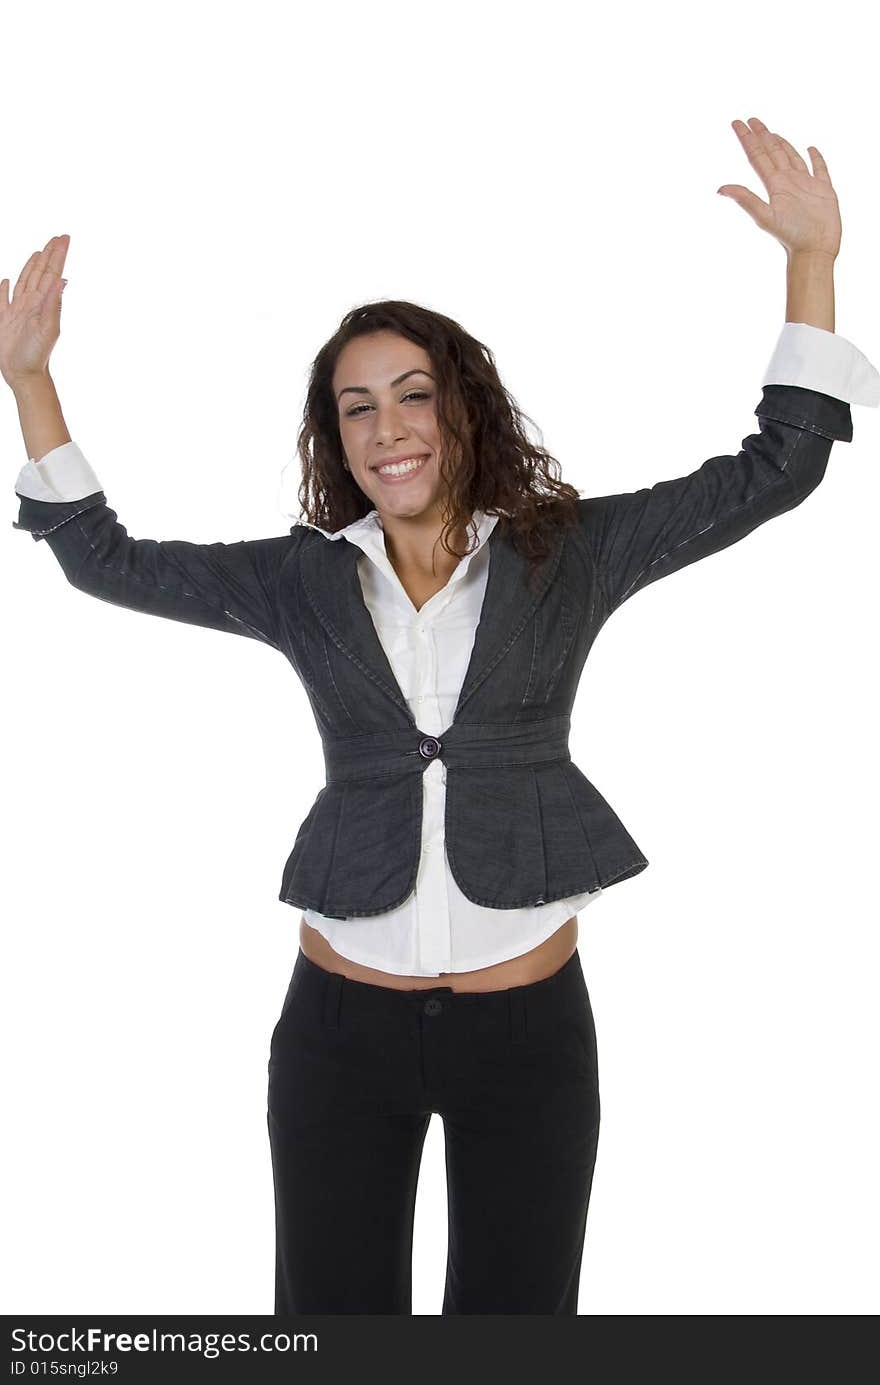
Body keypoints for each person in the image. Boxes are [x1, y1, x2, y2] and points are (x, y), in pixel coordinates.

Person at [4, 118, 878, 1316]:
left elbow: (779, 466)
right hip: (336, 1024)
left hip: (524, 1028)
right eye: (357, 407)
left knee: (514, 1327)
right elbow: (102, 560)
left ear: (463, 408)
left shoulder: (567, 551)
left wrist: (811, 262)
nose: (388, 427)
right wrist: (31, 380)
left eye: (412, 395)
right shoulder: (302, 578)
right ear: (337, 437)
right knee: (329, 1323)